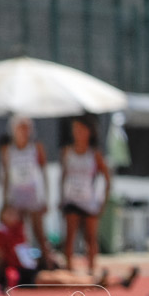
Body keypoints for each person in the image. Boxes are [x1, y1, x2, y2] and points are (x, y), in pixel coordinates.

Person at [0, 205, 137, 288]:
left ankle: (117, 280)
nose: (13, 216)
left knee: (66, 274)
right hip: (21, 274)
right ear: (2, 215)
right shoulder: (0, 232)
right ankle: (98, 281)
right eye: (9, 213)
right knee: (60, 280)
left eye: (14, 213)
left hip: (31, 267)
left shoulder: (19, 230)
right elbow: (1, 256)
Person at [0, 116, 53, 269]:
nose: (23, 132)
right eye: (20, 128)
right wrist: (5, 201)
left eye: (26, 128)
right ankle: (23, 265)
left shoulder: (36, 148)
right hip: (16, 198)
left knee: (39, 233)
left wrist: (45, 198)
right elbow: (5, 177)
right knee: (19, 234)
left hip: (33, 196)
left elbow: (44, 174)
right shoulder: (8, 150)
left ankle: (48, 264)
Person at [60, 115, 111, 273]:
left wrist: (103, 200)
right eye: (75, 130)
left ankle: (91, 270)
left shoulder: (94, 154)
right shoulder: (67, 152)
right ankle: (69, 269)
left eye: (81, 130)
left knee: (90, 237)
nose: (78, 133)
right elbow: (62, 176)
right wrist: (61, 198)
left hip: (89, 200)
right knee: (69, 237)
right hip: (72, 199)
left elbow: (107, 178)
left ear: (89, 132)